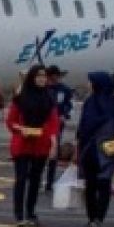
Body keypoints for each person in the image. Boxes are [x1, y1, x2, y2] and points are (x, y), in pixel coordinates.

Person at [6, 65, 61, 227]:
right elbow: (11, 121)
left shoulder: (49, 98)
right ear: (31, 78)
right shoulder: (20, 98)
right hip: (23, 142)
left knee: (36, 180)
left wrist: (52, 139)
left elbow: (54, 122)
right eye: (38, 76)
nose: (42, 79)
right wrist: (20, 129)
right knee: (21, 179)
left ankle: (30, 211)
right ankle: (19, 214)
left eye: (44, 76)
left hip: (40, 143)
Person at [76, 71, 114, 227]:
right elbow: (82, 126)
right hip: (89, 148)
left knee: (104, 183)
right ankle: (92, 218)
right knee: (90, 185)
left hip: (107, 148)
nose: (89, 84)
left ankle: (98, 218)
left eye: (91, 82)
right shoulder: (89, 101)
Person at [42, 66, 74, 194]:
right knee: (41, 152)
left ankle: (50, 183)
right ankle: (36, 177)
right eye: (52, 76)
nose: (55, 78)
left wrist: (64, 114)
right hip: (43, 124)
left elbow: (68, 104)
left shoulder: (64, 89)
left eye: (57, 76)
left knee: (53, 153)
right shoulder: (43, 89)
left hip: (57, 124)